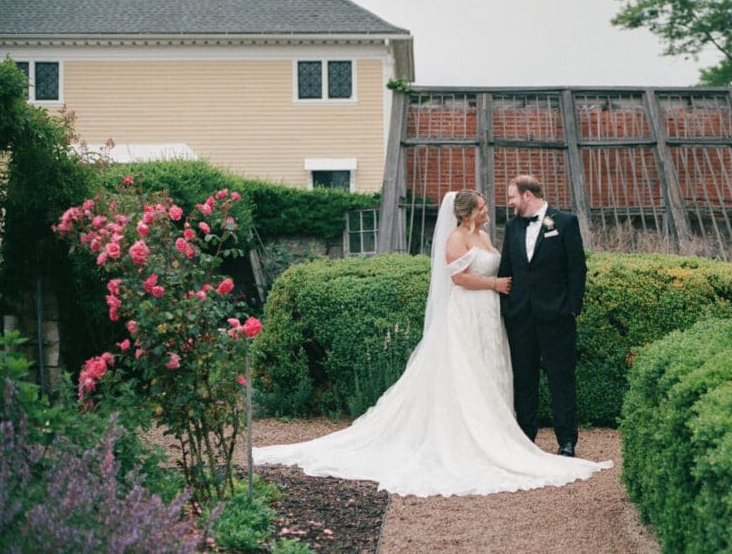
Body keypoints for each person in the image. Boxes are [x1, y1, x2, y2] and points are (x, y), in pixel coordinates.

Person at [252, 190, 610, 497]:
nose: (489, 211)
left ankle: (501, 433)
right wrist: (495, 287)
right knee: (465, 374)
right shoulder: (457, 238)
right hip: (467, 313)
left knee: (490, 371)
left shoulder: (486, 236)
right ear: (468, 213)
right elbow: (458, 278)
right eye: (483, 208)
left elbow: (511, 267)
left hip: (489, 317)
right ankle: (469, 439)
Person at [497, 175, 586, 457]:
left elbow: (577, 268)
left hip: (557, 316)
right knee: (523, 379)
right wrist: (507, 308)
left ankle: (567, 440)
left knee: (561, 379)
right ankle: (526, 437)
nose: (509, 203)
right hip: (521, 317)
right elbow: (505, 270)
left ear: (526, 196)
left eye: (511, 197)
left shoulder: (565, 222)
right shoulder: (511, 227)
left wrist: (572, 307)